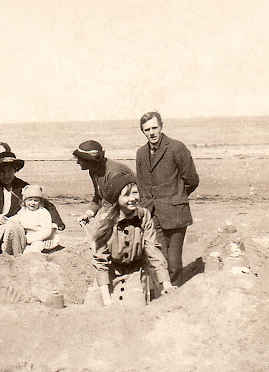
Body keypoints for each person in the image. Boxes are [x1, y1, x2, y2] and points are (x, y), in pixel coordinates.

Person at [92, 173, 175, 306]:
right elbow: (100, 260)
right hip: (110, 274)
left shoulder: (144, 216)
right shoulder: (104, 220)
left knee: (136, 307)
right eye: (126, 195)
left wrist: (166, 283)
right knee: (97, 308)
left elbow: (153, 249)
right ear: (116, 198)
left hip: (135, 274)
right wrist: (106, 300)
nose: (133, 198)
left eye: (135, 193)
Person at [136, 111, 199, 287]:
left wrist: (176, 197)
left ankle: (175, 295)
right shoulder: (141, 153)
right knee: (158, 261)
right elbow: (141, 184)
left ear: (161, 126)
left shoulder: (177, 148)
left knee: (174, 264)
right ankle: (161, 296)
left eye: (154, 128)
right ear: (143, 132)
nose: (151, 133)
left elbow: (192, 180)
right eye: (147, 130)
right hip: (152, 214)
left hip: (175, 214)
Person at [0, 144, 64, 256]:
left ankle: (15, 255)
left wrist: (55, 225)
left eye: (10, 171)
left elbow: (46, 204)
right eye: (2, 172)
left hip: (15, 225)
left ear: (15, 170)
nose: (7, 175)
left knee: (15, 229)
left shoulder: (23, 187)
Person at [74, 140, 134, 225]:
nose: (78, 162)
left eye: (81, 159)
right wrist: (89, 214)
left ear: (91, 160)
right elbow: (99, 196)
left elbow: (123, 200)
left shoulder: (113, 172)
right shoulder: (93, 170)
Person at [7, 185, 60, 254]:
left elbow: (46, 230)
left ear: (40, 202)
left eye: (36, 200)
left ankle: (33, 254)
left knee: (37, 246)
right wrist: (7, 220)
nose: (32, 203)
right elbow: (16, 219)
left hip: (40, 236)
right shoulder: (23, 211)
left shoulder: (43, 212)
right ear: (24, 201)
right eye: (29, 200)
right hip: (27, 236)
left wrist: (30, 239)